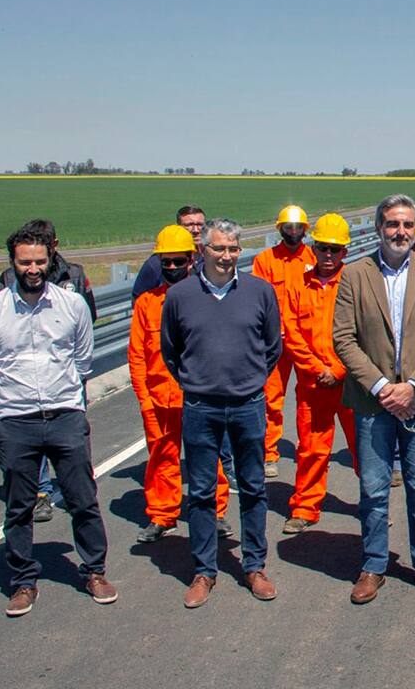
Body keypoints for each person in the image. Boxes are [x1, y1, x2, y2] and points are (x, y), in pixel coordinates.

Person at [0, 223, 116, 616]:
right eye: (24, 262)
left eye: (39, 261)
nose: (33, 268)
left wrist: (62, 394)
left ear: (50, 260)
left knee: (83, 499)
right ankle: (22, 581)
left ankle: (95, 570)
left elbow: (83, 360)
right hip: (17, 420)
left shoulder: (73, 306)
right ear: (12, 263)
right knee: (19, 506)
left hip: (66, 413)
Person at [332, 195, 415, 605]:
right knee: (373, 489)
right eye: (391, 224)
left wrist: (413, 386)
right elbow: (344, 339)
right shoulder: (355, 275)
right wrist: (383, 387)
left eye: (406, 225)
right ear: (377, 228)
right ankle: (373, 565)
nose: (400, 232)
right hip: (373, 403)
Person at [161, 218, 282, 608]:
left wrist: (250, 379)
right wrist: (195, 379)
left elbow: (272, 346)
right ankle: (204, 571)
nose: (226, 256)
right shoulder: (180, 296)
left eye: (233, 248)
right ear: (203, 251)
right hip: (200, 406)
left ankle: (254, 566)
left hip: (248, 404)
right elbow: (170, 349)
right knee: (199, 492)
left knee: (252, 486)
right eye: (218, 249)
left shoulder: (259, 292)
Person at [129, 225, 234, 543]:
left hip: (201, 397)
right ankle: (162, 515)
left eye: (178, 261)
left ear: (193, 258)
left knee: (207, 458)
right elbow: (137, 357)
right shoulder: (146, 304)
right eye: (166, 262)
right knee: (162, 458)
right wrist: (145, 401)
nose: (172, 267)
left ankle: (214, 513)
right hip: (160, 400)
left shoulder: (209, 297)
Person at [0, 218, 97, 523]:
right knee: (29, 438)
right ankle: (41, 493)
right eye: (27, 259)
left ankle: (77, 486)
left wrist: (73, 372)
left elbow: (86, 318)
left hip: (65, 378)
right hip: (21, 390)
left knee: (73, 439)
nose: (35, 265)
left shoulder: (74, 274)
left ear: (54, 247)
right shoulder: (8, 278)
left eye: (46, 247)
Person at [281, 214, 359, 534]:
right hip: (313, 385)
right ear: (313, 247)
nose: (328, 255)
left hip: (352, 384)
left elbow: (365, 332)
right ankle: (305, 506)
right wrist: (318, 369)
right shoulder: (297, 284)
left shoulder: (357, 284)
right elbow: (291, 333)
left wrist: (339, 369)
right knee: (312, 448)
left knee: (365, 448)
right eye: (323, 248)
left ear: (345, 252)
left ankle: (373, 504)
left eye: (335, 249)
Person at [252, 205, 316, 478]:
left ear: (304, 229)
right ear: (280, 229)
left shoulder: (314, 258)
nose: (293, 233)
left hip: (305, 341)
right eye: (288, 228)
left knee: (309, 398)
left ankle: (308, 446)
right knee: (271, 399)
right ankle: (268, 453)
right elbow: (257, 300)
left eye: (297, 228)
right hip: (274, 341)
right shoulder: (265, 260)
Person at [132, 205, 206, 299]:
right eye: (189, 225)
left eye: (200, 225)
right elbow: (139, 298)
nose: (196, 230)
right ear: (178, 227)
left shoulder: (211, 258)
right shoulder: (156, 263)